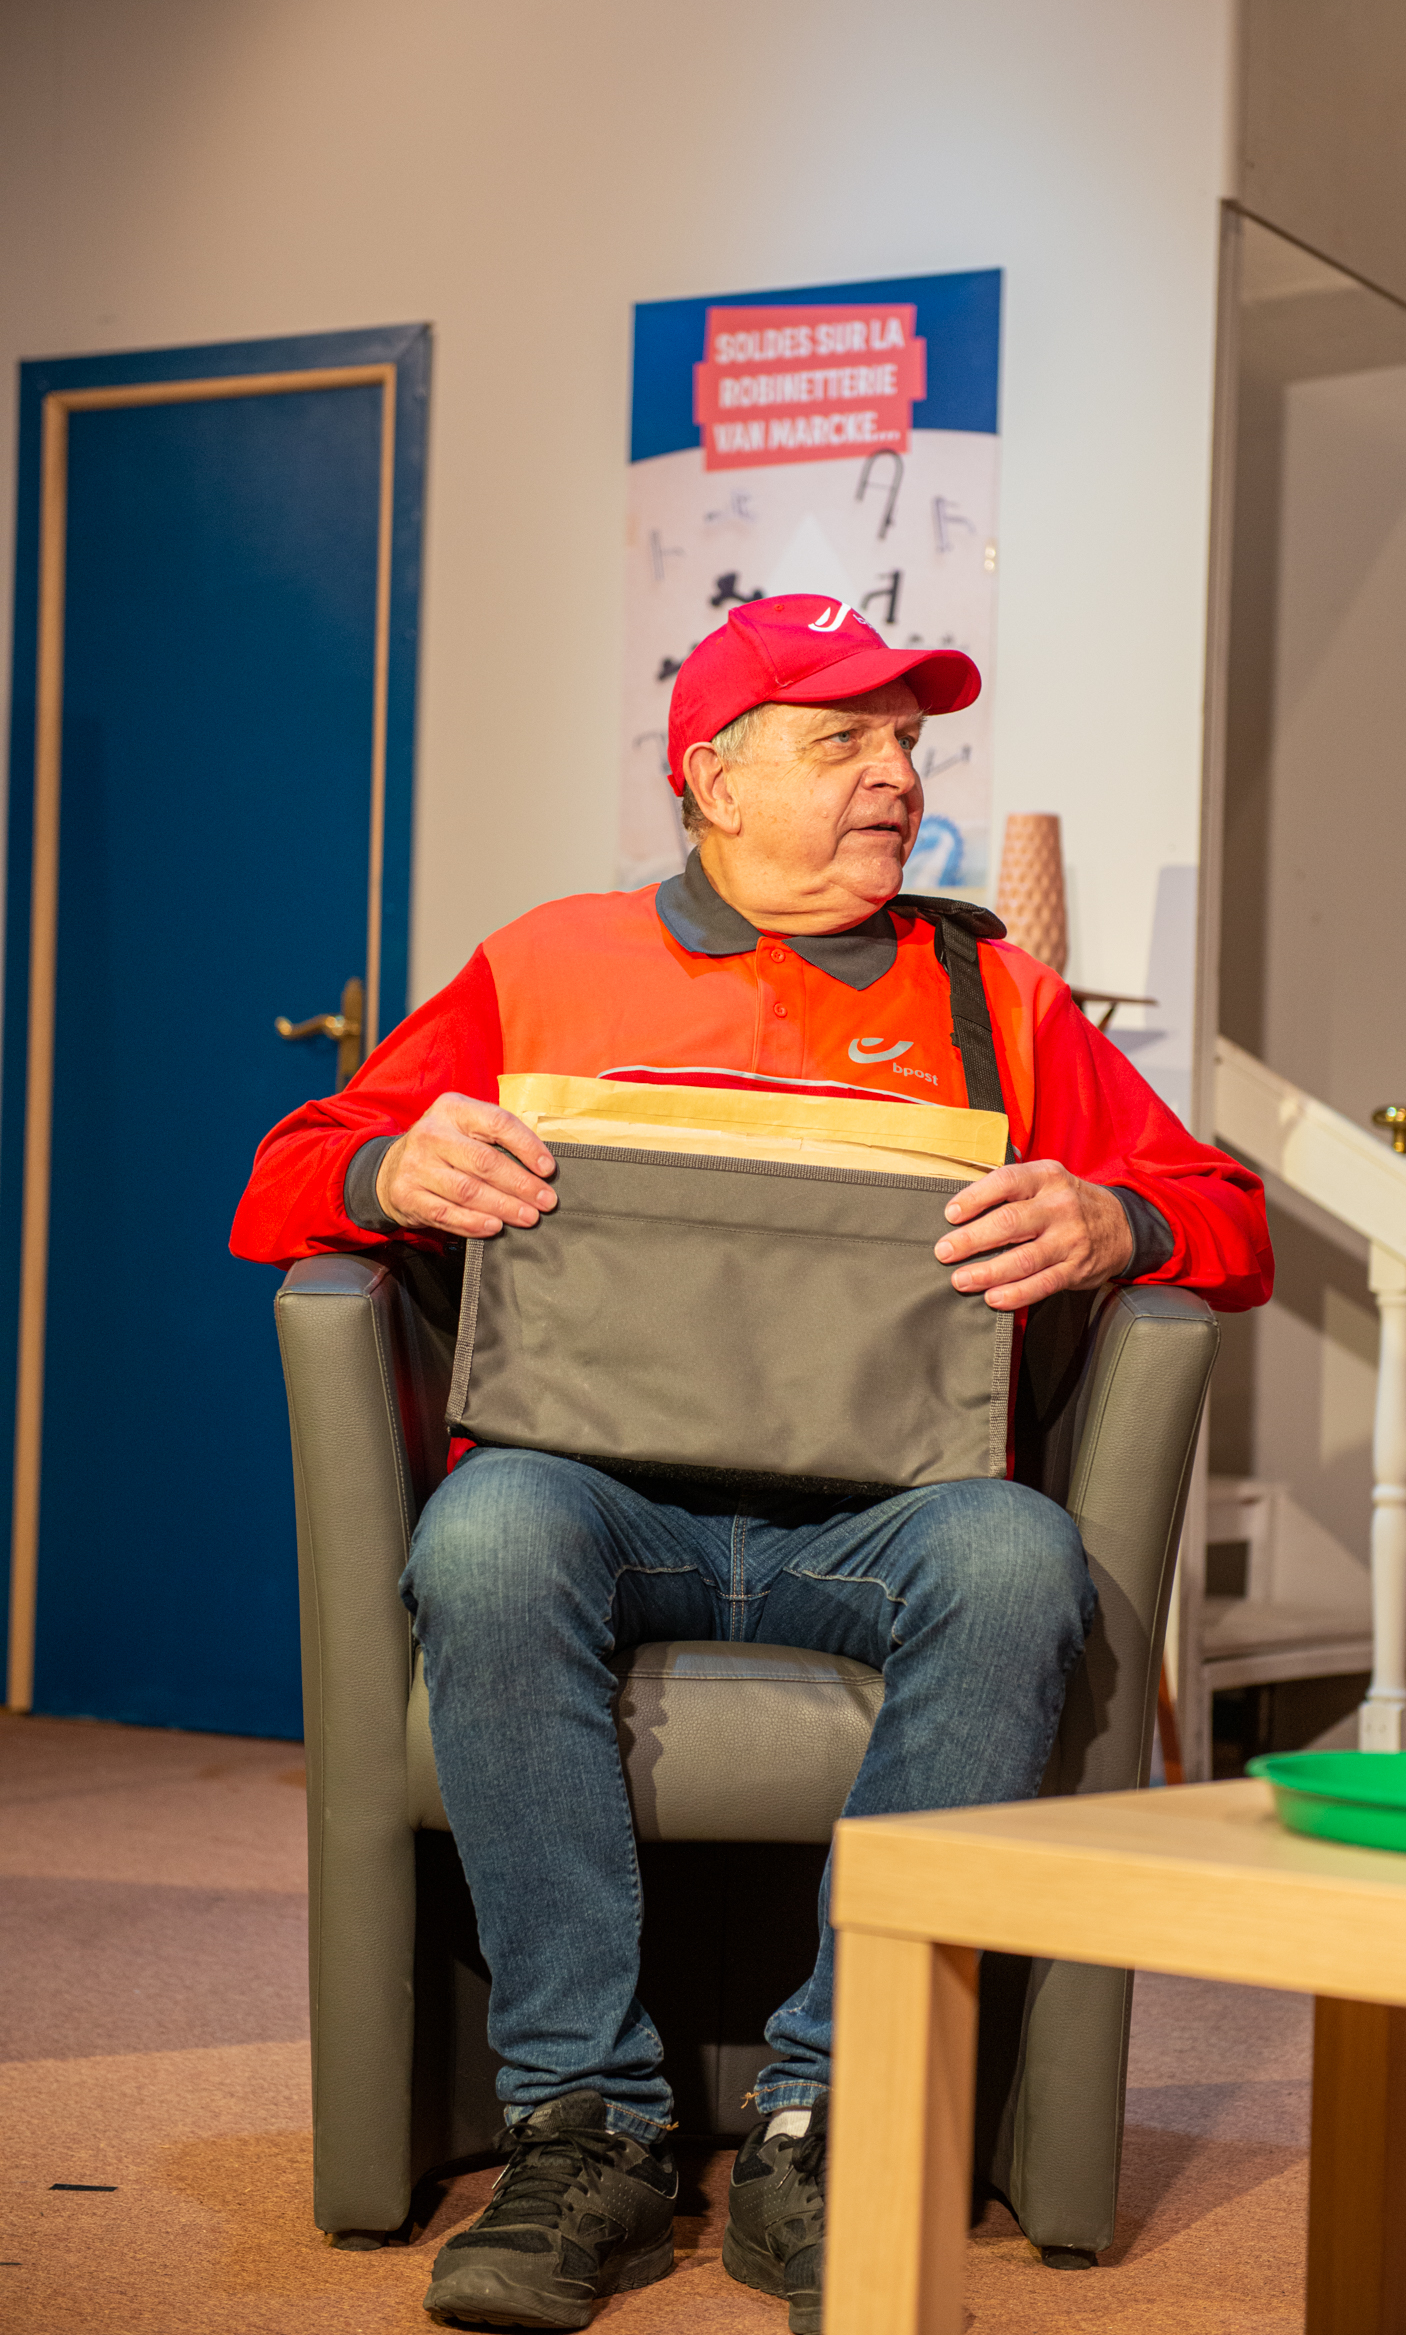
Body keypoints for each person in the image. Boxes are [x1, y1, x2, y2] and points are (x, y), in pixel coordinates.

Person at [233, 593, 1272, 2333]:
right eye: (841, 740)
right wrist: (388, 1172)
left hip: (884, 1517)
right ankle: (587, 2123)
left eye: (907, 745)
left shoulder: (994, 994)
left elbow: (1226, 1214)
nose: (897, 778)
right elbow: (289, 1171)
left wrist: (1117, 1220)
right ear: (711, 779)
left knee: (1014, 1554)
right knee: (485, 1534)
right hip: (598, 1497)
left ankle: (835, 2113)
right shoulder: (546, 963)